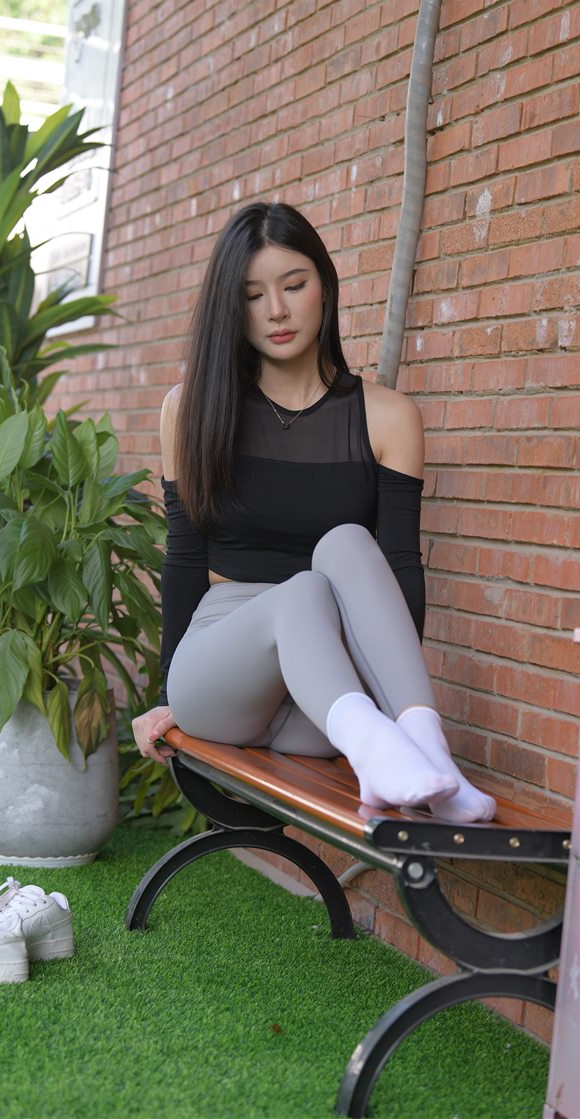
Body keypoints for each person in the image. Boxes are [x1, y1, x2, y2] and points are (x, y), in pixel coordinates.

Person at [131, 202, 495, 822]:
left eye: (293, 285)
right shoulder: (191, 409)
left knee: (349, 543)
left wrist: (388, 698)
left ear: (324, 286)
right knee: (302, 590)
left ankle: (426, 751)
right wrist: (167, 692)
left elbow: (400, 571)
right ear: (232, 309)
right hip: (222, 674)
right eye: (252, 295)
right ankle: (381, 750)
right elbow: (186, 557)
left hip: (325, 699)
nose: (276, 310)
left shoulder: (389, 418)